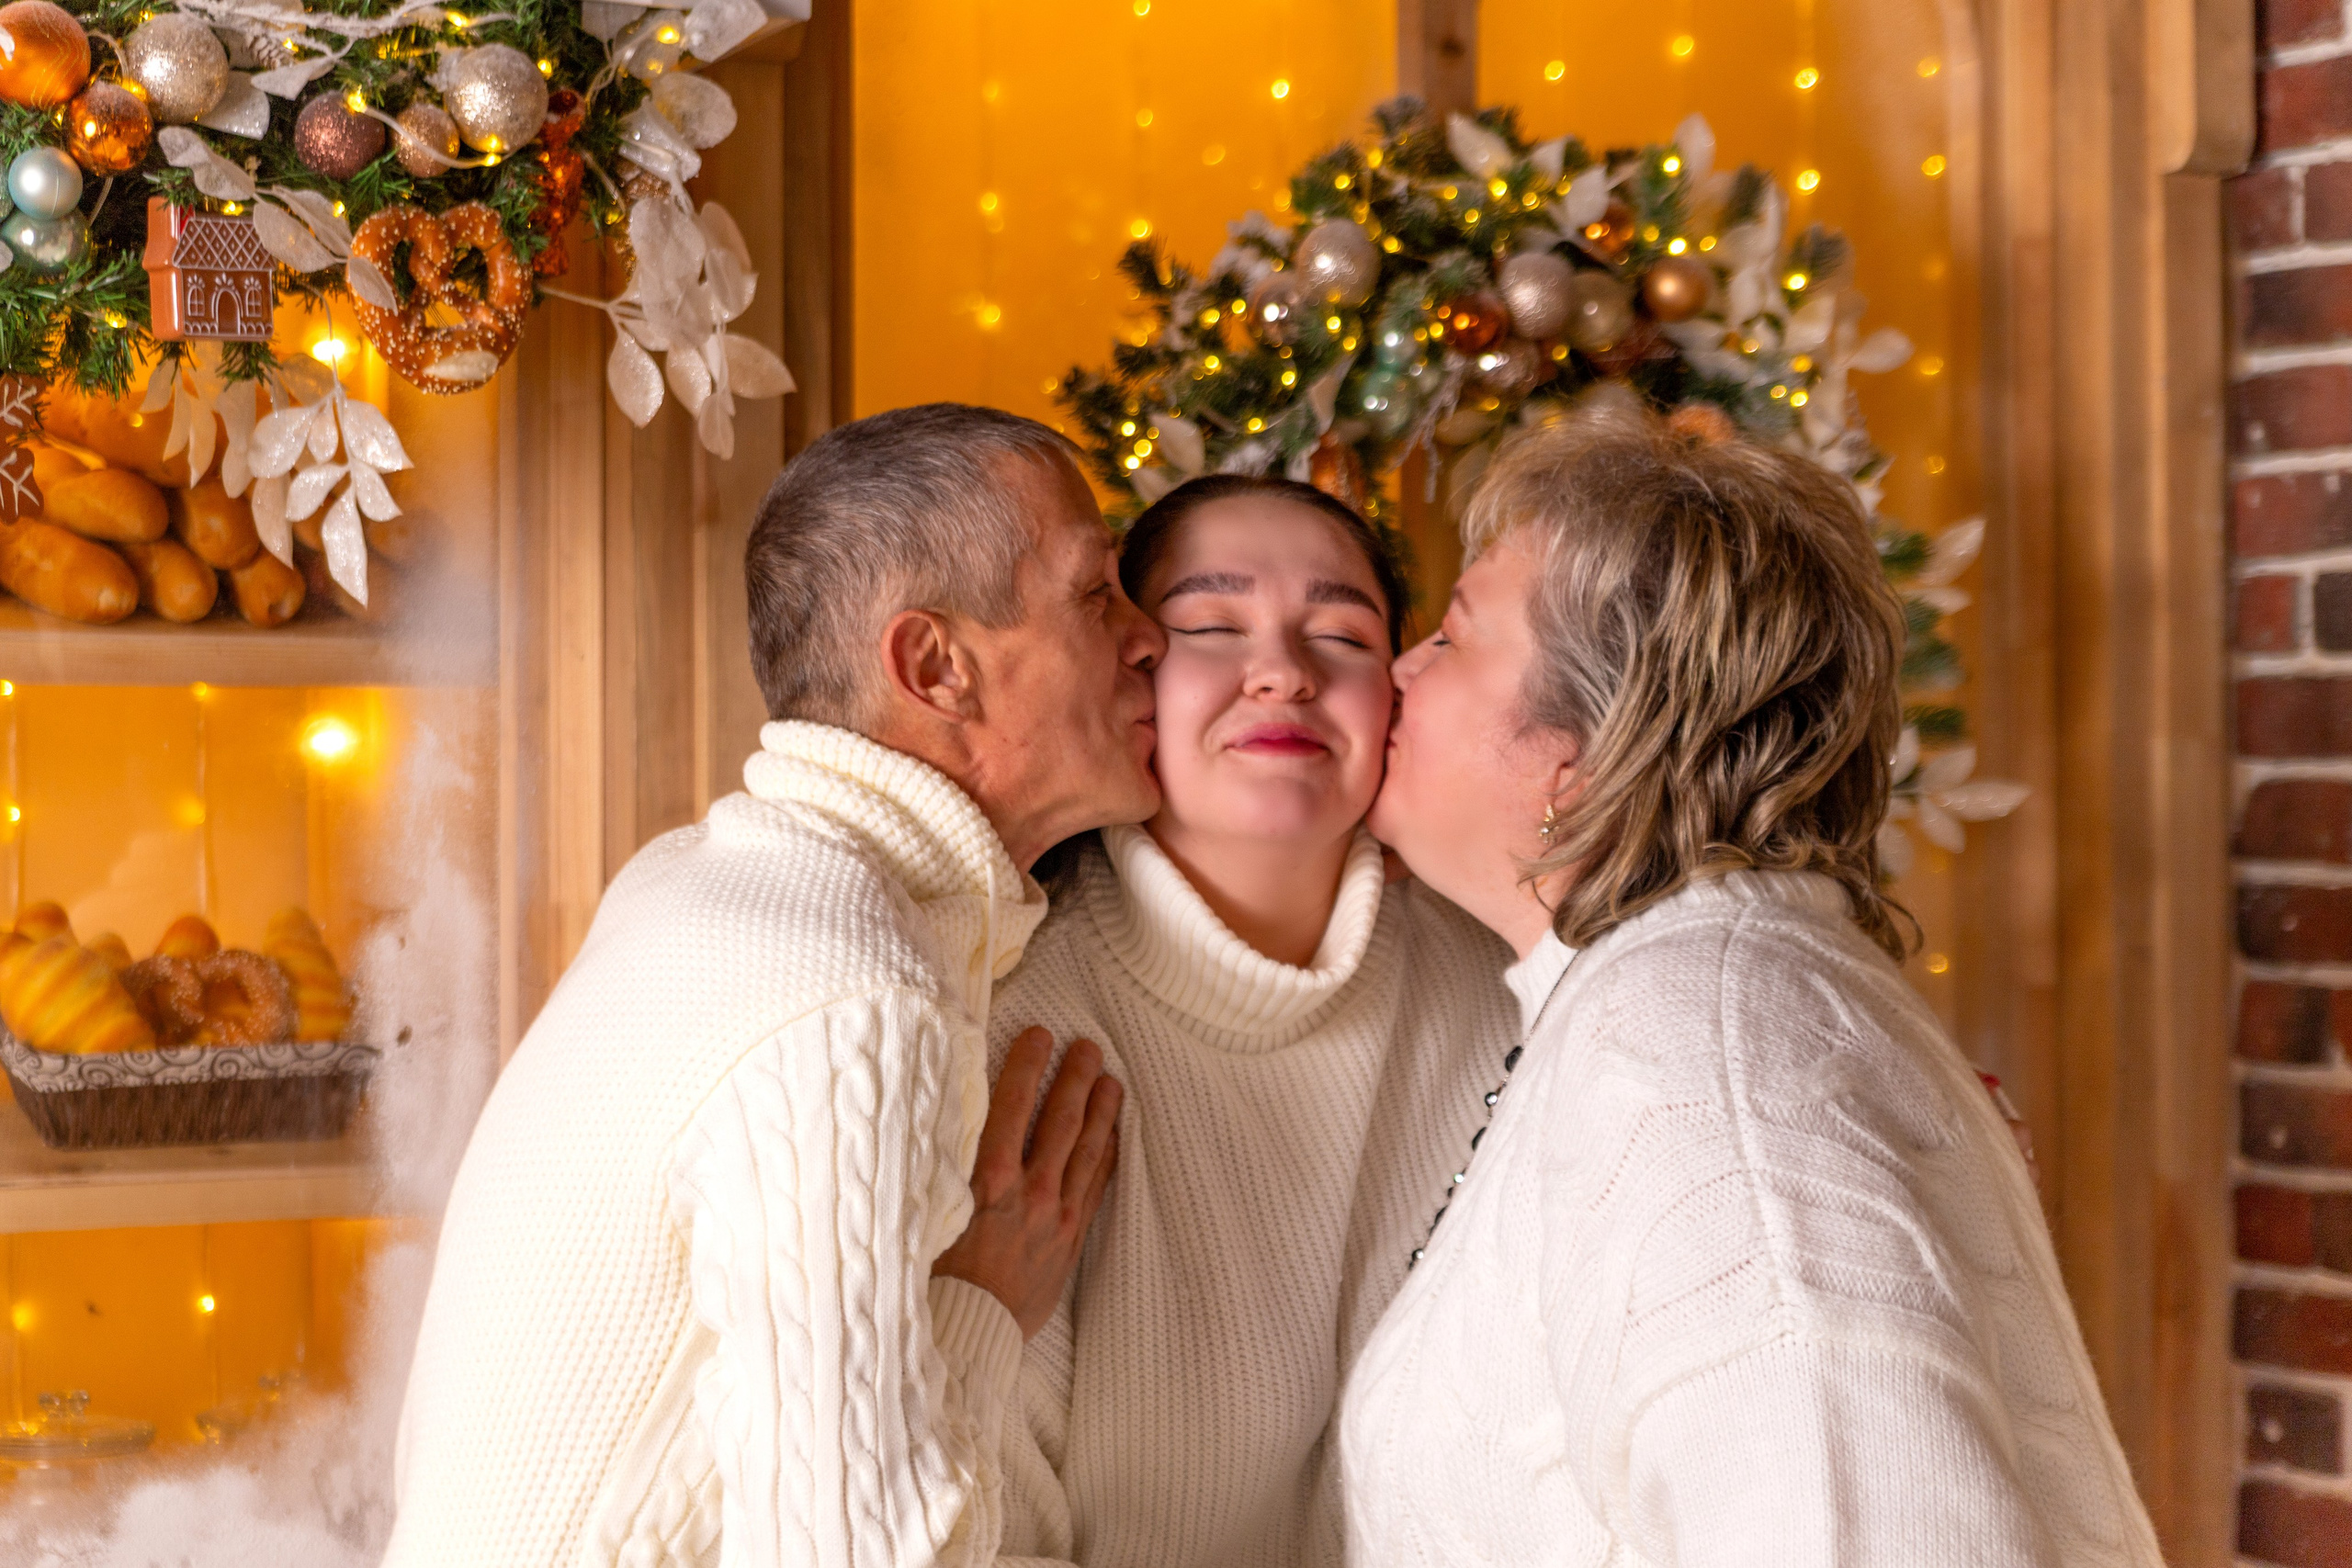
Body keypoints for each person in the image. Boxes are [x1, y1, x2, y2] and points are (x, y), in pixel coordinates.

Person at [1337, 410, 2164, 1565]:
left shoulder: (1704, 1053)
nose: (1398, 672)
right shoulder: (1670, 1002)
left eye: (1453, 639)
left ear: (1584, 757)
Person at [385, 404, 1158, 1568]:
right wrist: (984, 1313)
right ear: (936, 667)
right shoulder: (847, 1002)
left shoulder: (709, 886)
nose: (1148, 638)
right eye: (1096, 594)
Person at [931, 475, 1517, 1568]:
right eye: (1208, 625)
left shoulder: (1513, 986)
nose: (1284, 671)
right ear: (1126, 677)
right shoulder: (1012, 1027)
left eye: (1341, 633)